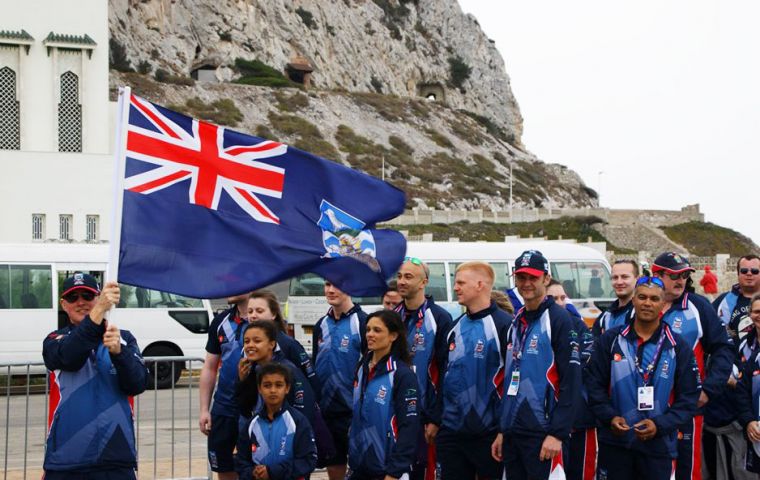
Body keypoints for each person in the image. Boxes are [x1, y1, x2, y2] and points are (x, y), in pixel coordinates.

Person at [585, 276, 700, 480]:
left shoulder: (678, 346)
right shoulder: (610, 340)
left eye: (654, 299)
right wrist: (610, 416)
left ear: (663, 304)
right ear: (634, 301)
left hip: (658, 448)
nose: (647, 303)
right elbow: (594, 387)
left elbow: (688, 399)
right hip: (615, 444)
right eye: (642, 297)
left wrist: (661, 425)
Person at [43, 273, 148, 479]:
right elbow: (69, 358)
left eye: (88, 296)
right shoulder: (55, 339)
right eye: (73, 298)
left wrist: (120, 353)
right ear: (64, 305)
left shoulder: (123, 338)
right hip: (66, 458)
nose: (81, 302)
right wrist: (99, 310)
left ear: (98, 297)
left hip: (116, 456)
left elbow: (138, 383)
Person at [492, 250, 581, 480]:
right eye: (521, 278)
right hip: (514, 432)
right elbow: (511, 376)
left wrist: (558, 433)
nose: (527, 283)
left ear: (546, 279)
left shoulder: (559, 320)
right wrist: (503, 429)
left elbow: (572, 381)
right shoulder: (517, 321)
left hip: (544, 435)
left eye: (533, 277)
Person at [652, 252, 733, 480]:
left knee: (686, 471)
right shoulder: (643, 303)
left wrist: (709, 389)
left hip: (687, 406)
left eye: (685, 275)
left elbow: (723, 348)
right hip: (649, 406)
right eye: (674, 275)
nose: (681, 281)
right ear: (656, 275)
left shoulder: (698, 306)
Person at [428, 262, 510, 480]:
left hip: (488, 434)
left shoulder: (504, 326)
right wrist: (437, 419)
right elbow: (443, 377)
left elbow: (513, 381)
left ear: (480, 285)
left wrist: (503, 429)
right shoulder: (453, 327)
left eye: (461, 283)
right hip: (451, 433)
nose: (455, 288)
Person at [393, 256, 453, 479]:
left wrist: (436, 418)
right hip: (397, 413)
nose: (402, 281)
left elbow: (446, 371)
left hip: (426, 416)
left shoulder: (440, 318)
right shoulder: (393, 317)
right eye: (399, 276)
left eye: (408, 276)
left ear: (423, 282)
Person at [348, 309, 420, 479]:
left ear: (393, 336)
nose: (370, 334)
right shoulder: (361, 367)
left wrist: (395, 471)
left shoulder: (402, 375)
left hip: (388, 469)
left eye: (377, 330)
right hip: (360, 465)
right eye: (368, 330)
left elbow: (409, 427)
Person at [312, 280, 367, 480]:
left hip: (353, 412)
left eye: (338, 285)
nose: (331, 290)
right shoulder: (321, 324)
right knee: (334, 466)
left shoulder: (362, 322)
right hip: (327, 411)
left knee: (359, 469)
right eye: (327, 284)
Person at [546, 279, 596, 480]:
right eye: (553, 298)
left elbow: (584, 362)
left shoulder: (578, 324)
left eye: (562, 298)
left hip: (580, 417)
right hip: (546, 420)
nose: (560, 303)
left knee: (581, 473)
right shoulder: (532, 326)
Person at [200, 292, 252, 480]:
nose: (228, 289)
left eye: (235, 284)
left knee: (254, 468)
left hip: (254, 408)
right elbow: (209, 367)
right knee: (222, 467)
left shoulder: (263, 321)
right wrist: (204, 410)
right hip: (224, 407)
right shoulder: (221, 321)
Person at [236, 362, 318, 480]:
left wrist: (272, 472)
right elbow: (241, 461)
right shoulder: (252, 424)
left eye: (278, 385)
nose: (273, 390)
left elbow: (308, 460)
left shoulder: (298, 421)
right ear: (259, 388)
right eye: (267, 385)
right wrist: (253, 472)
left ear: (287, 388)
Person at [248, 290, 318, 393]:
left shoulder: (288, 344)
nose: (253, 316)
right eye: (250, 311)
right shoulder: (246, 344)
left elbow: (311, 379)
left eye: (259, 311)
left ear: (273, 314)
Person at [735, 294, 760, 474]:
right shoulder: (745, 345)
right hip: (756, 430)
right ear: (750, 315)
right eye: (757, 311)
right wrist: (749, 421)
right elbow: (742, 390)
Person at [715, 255, 760, 342]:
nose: (749, 273)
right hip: (732, 354)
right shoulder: (724, 301)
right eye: (744, 271)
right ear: (738, 273)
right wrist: (733, 336)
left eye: (754, 271)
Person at [593, 260, 638, 337]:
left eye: (625, 277)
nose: (619, 282)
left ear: (637, 279)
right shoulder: (605, 317)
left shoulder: (641, 314)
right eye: (615, 277)